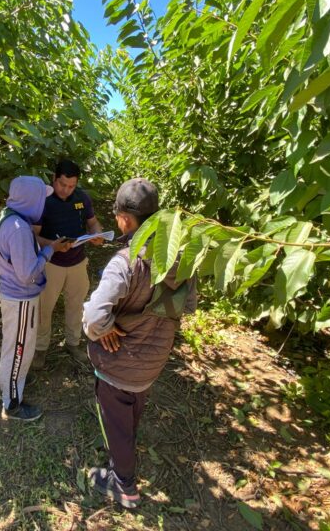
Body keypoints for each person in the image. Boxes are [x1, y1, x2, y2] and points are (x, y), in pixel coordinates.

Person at [82, 178, 197, 509]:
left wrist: (104, 329)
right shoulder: (180, 258)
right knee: (131, 409)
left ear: (124, 219)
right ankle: (125, 451)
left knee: (115, 422)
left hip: (118, 364)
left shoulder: (125, 262)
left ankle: (124, 486)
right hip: (153, 360)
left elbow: (94, 318)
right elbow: (188, 305)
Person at [0, 175, 72, 421]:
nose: (43, 203)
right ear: (30, 200)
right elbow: (28, 274)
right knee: (18, 348)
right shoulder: (18, 229)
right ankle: (12, 404)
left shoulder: (9, 217)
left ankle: (15, 380)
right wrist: (50, 250)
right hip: (20, 299)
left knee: (17, 346)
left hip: (14, 295)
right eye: (41, 198)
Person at [31, 160, 104, 369]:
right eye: (62, 184)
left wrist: (97, 234)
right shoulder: (43, 200)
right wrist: (53, 246)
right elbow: (33, 236)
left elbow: (92, 222)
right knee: (44, 308)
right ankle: (40, 348)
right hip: (50, 263)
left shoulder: (82, 197)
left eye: (71, 186)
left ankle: (73, 343)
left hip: (77, 262)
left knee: (76, 305)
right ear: (54, 178)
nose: (66, 190)